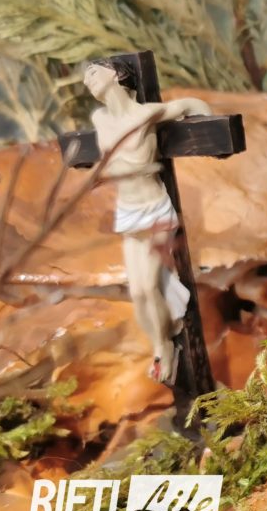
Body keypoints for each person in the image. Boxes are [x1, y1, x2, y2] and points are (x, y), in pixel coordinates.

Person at [85, 58, 212, 385]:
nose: (87, 80)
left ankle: (163, 348)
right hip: (128, 212)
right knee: (138, 292)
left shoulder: (146, 115)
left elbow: (190, 105)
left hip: (154, 211)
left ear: (116, 74)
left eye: (93, 72)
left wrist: (212, 130)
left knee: (150, 285)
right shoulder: (99, 119)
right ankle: (161, 339)